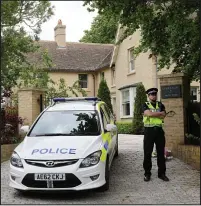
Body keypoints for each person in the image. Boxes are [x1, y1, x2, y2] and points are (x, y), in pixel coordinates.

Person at [142, 88, 169, 182]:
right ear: (148, 96)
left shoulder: (160, 104)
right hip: (149, 131)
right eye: (152, 94)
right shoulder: (145, 104)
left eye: (155, 94)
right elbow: (148, 114)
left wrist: (153, 114)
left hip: (159, 131)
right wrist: (159, 113)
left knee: (161, 153)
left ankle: (161, 174)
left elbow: (164, 115)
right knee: (147, 153)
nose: (154, 95)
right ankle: (147, 173)